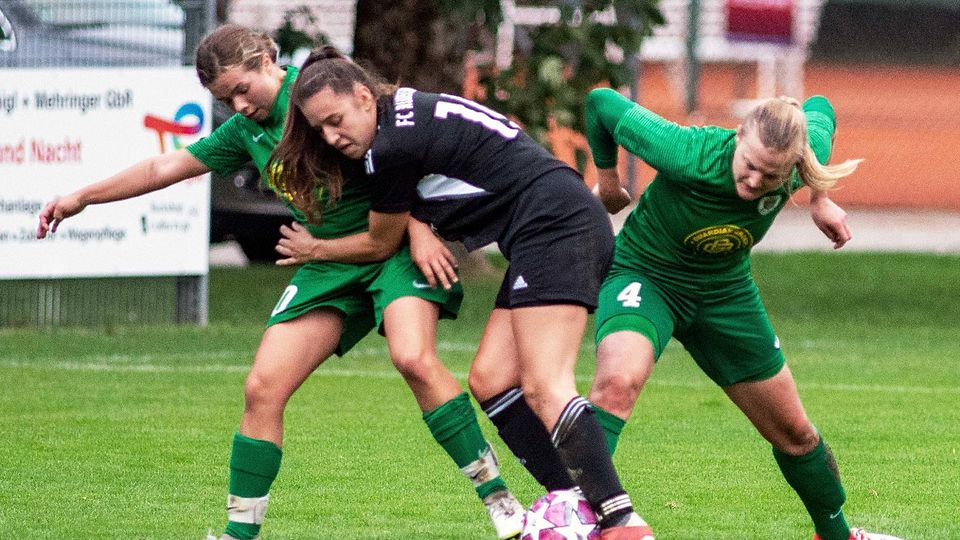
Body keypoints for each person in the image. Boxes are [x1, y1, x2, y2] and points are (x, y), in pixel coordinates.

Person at [35, 24, 526, 540]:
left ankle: (500, 502)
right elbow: (165, 166)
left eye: (242, 89)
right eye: (227, 99)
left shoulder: (319, 96)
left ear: (267, 59)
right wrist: (82, 197)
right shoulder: (245, 131)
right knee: (262, 388)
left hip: (393, 245)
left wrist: (424, 227)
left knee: (413, 359)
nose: (239, 105)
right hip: (329, 262)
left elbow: (405, 147)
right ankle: (238, 534)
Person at [268, 46, 654, 540]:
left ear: (364, 96)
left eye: (335, 120)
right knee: (491, 379)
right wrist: (422, 225)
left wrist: (315, 249)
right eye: (319, 129)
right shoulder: (401, 113)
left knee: (546, 385)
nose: (331, 136)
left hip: (556, 226)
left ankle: (624, 523)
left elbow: (378, 242)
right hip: (551, 223)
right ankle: (575, 503)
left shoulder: (390, 149)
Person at [582, 87, 903, 540]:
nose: (753, 182)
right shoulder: (686, 151)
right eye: (748, 165)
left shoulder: (803, 156)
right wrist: (609, 179)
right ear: (737, 137)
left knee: (796, 433)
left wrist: (819, 197)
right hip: (646, 276)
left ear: (793, 166)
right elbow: (600, 103)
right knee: (616, 383)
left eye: (769, 177)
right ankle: (575, 523)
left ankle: (838, 535)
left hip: (725, 293)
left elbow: (822, 106)